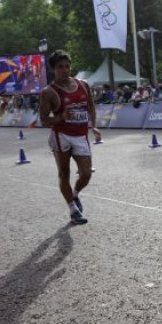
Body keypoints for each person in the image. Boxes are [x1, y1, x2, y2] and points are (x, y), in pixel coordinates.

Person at [38, 50, 101, 225]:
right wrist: (61, 117)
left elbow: (91, 106)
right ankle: (73, 210)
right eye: (60, 67)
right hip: (61, 136)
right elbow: (44, 121)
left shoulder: (83, 84)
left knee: (86, 174)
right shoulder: (48, 92)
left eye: (67, 66)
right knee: (63, 174)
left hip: (80, 135)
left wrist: (93, 125)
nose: (65, 70)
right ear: (53, 69)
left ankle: (74, 194)